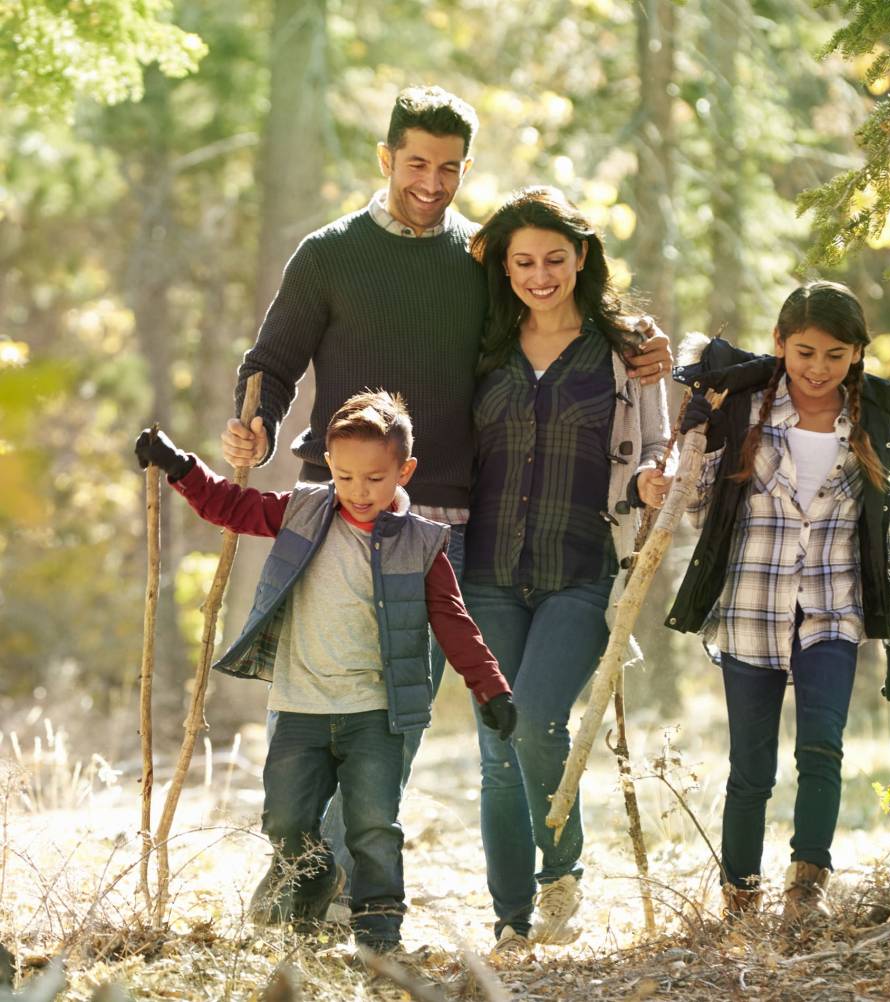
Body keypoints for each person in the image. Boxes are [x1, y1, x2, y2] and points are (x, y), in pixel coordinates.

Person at [218, 86, 671, 886]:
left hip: (444, 523)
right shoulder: (328, 253)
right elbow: (272, 365)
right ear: (386, 157)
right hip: (335, 512)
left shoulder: (478, 260)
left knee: (400, 712)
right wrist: (252, 421)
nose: (432, 182)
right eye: (417, 163)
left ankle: (327, 884)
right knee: (327, 700)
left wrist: (637, 340)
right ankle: (300, 864)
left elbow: (553, 314)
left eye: (451, 168)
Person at [134, 391, 516, 954]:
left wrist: (490, 686)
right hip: (299, 706)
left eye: (375, 478)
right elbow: (232, 506)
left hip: (375, 713)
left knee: (373, 827)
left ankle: (379, 933)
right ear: (329, 468)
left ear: (404, 471)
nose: (359, 492)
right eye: (344, 476)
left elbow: (453, 620)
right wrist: (179, 466)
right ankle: (312, 878)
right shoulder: (304, 511)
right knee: (285, 820)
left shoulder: (422, 542)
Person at [666, 281, 890, 925]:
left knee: (822, 750)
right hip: (751, 608)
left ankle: (806, 890)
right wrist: (696, 440)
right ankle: (740, 901)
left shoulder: (870, 424)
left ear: (858, 354)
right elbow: (696, 510)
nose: (818, 368)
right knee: (750, 768)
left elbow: (883, 535)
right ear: (780, 345)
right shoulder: (745, 409)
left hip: (834, 611)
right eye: (805, 351)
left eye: (836, 354)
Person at [462, 186, 673, 955]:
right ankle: (510, 920)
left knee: (539, 719)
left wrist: (654, 478)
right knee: (496, 746)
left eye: (555, 257)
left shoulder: (626, 349)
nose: (540, 274)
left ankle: (561, 869)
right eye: (524, 261)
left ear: (582, 257)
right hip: (485, 570)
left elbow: (661, 443)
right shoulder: (482, 340)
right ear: (507, 267)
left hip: (582, 568)